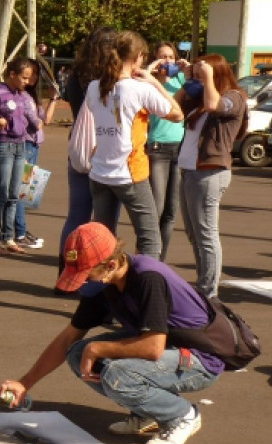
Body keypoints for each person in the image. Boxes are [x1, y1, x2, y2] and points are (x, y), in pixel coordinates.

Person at [0, 222, 225, 444]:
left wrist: (97, 349)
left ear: (111, 265)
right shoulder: (105, 283)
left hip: (202, 359)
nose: (84, 280)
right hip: (171, 348)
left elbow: (153, 348)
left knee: (116, 373)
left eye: (86, 273)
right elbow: (68, 338)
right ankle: (149, 411)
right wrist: (24, 383)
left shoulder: (148, 278)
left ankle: (183, 415)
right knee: (76, 353)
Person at [87, 30, 183, 259]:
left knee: (104, 239)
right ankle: (145, 289)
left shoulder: (94, 87)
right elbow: (178, 114)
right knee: (151, 240)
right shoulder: (140, 89)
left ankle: (103, 288)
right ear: (139, 57)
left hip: (100, 172)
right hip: (130, 173)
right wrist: (155, 84)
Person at [176, 54, 248, 298]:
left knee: (206, 234)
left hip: (209, 172)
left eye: (201, 74)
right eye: (196, 75)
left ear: (216, 74)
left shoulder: (234, 98)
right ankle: (203, 284)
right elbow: (173, 108)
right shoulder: (199, 97)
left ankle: (208, 293)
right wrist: (186, 79)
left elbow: (214, 105)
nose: (197, 79)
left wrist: (206, 79)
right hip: (189, 171)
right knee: (193, 234)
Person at [57, 27, 121, 290]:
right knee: (105, 221)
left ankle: (66, 276)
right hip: (106, 150)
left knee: (76, 218)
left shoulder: (76, 77)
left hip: (80, 150)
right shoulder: (112, 81)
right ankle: (96, 287)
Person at [0, 57, 42, 255]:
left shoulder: (21, 94)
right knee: (2, 194)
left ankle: (9, 238)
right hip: (4, 147)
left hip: (21, 147)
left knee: (14, 195)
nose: (27, 82)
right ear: (13, 75)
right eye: (24, 78)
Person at [146, 42, 186, 261]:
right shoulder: (148, 83)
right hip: (158, 148)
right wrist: (153, 68)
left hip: (180, 148)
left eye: (171, 57)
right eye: (163, 57)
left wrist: (187, 70)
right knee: (157, 208)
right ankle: (149, 255)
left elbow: (198, 89)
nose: (168, 61)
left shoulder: (181, 81)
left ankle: (161, 260)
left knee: (171, 211)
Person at [13, 58, 59, 250]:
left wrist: (54, 99)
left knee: (26, 192)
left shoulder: (32, 97)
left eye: (34, 75)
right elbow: (37, 123)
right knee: (20, 192)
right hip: (25, 145)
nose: (32, 78)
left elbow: (46, 120)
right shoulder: (22, 97)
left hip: (33, 147)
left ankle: (19, 231)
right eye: (29, 74)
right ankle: (20, 233)